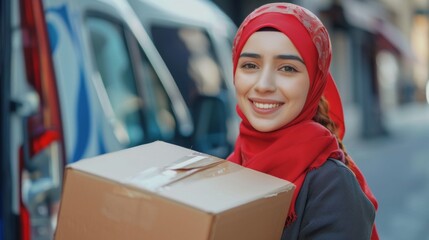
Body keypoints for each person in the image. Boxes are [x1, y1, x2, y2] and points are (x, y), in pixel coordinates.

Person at [226, 3, 379, 239]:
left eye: (287, 68)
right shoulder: (232, 163)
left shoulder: (332, 185)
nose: (264, 85)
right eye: (250, 65)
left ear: (314, 83)